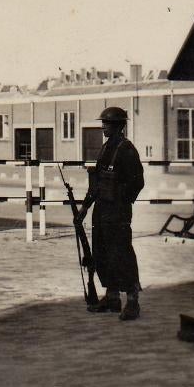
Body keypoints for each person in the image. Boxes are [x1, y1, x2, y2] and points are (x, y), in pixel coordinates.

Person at [77, 107, 145, 321]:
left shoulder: (127, 149)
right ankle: (112, 297)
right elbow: (96, 182)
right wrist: (85, 207)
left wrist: (120, 197)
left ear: (118, 126)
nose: (103, 126)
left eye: (107, 123)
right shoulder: (106, 148)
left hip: (118, 211)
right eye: (103, 122)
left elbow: (138, 182)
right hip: (101, 210)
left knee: (121, 254)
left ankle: (132, 301)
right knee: (102, 252)